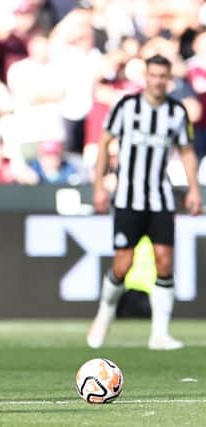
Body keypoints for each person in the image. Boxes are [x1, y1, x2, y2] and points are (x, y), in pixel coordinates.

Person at [87, 54, 202, 351]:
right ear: (146, 77)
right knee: (123, 263)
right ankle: (104, 315)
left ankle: (160, 333)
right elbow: (104, 143)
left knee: (164, 262)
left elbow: (187, 151)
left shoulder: (177, 112)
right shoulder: (127, 107)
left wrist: (194, 190)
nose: (158, 81)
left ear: (169, 79)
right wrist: (99, 186)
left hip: (161, 197)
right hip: (128, 197)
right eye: (153, 75)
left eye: (163, 76)